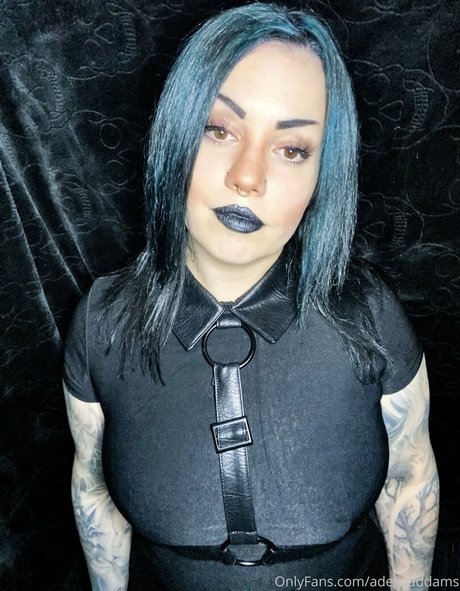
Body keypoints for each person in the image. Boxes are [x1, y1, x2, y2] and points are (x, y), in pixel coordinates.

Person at [63, 3, 439, 590]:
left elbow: (410, 481)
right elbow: (93, 494)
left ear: (322, 177)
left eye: (292, 150)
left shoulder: (370, 315)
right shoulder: (102, 324)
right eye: (219, 129)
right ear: (177, 135)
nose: (247, 176)